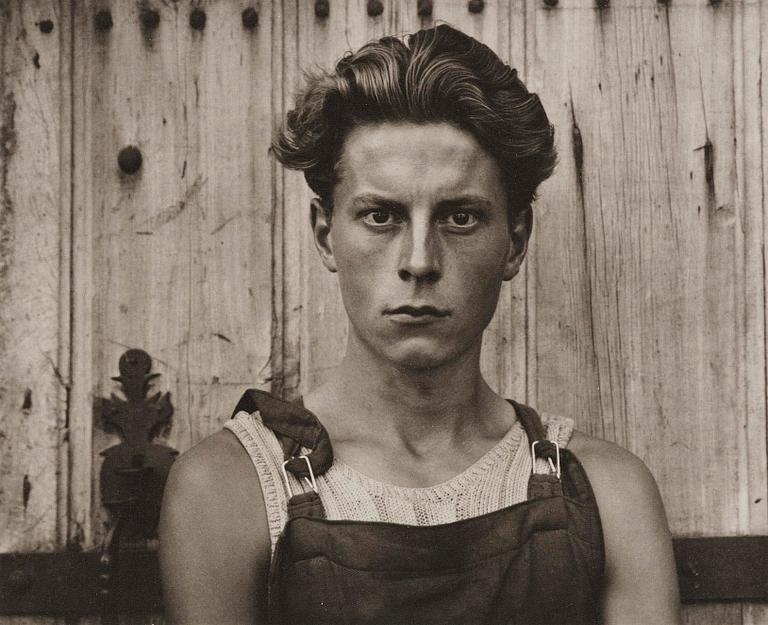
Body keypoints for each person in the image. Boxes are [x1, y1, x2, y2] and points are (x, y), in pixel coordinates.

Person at [158, 24, 681, 625]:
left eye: (460, 217)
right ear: (326, 234)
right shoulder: (229, 491)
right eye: (381, 216)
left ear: (515, 242)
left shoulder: (608, 493)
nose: (419, 261)